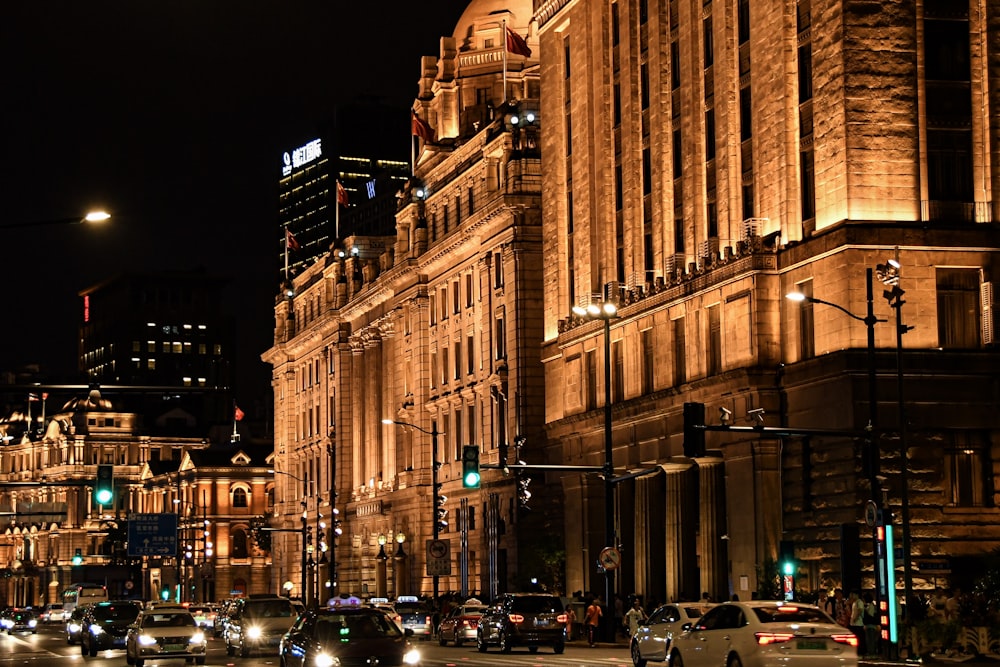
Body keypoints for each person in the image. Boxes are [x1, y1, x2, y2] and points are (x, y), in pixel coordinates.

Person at [848, 590, 867, 656]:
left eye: (853, 595)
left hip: (858, 623)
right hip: (853, 623)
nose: (851, 596)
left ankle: (861, 651)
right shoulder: (854, 602)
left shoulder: (859, 602)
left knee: (859, 638)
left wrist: (855, 618)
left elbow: (860, 610)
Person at [862, 591, 878, 657]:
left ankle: (871, 652)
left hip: (871, 626)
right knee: (870, 639)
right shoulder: (871, 606)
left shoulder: (871, 606)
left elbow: (870, 616)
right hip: (871, 626)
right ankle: (871, 652)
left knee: (870, 640)